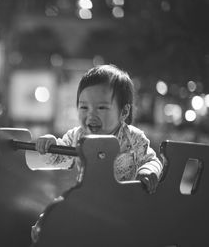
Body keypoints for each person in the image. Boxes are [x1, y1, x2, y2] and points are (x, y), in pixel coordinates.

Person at [35, 64, 163, 194]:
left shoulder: (133, 138)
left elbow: (152, 160)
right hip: (90, 200)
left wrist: (148, 171)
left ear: (124, 111)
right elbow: (59, 155)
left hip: (124, 201)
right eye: (84, 107)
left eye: (101, 108)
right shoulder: (77, 136)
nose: (91, 115)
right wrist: (50, 145)